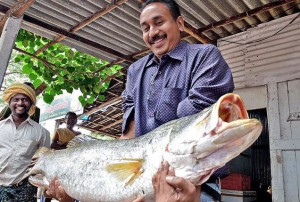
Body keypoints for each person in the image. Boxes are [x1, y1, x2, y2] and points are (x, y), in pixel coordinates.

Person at [120, 0, 234, 201]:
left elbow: (197, 126)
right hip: (144, 181)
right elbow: (129, 135)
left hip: (195, 182)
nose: (152, 32)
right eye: (145, 28)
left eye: (159, 22)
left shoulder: (205, 56)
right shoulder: (135, 71)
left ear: (180, 23)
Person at [0, 83, 50, 202]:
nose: (20, 103)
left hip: (24, 190)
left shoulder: (42, 133)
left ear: (31, 103)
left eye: (25, 100)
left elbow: (44, 163)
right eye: (16, 99)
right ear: (10, 102)